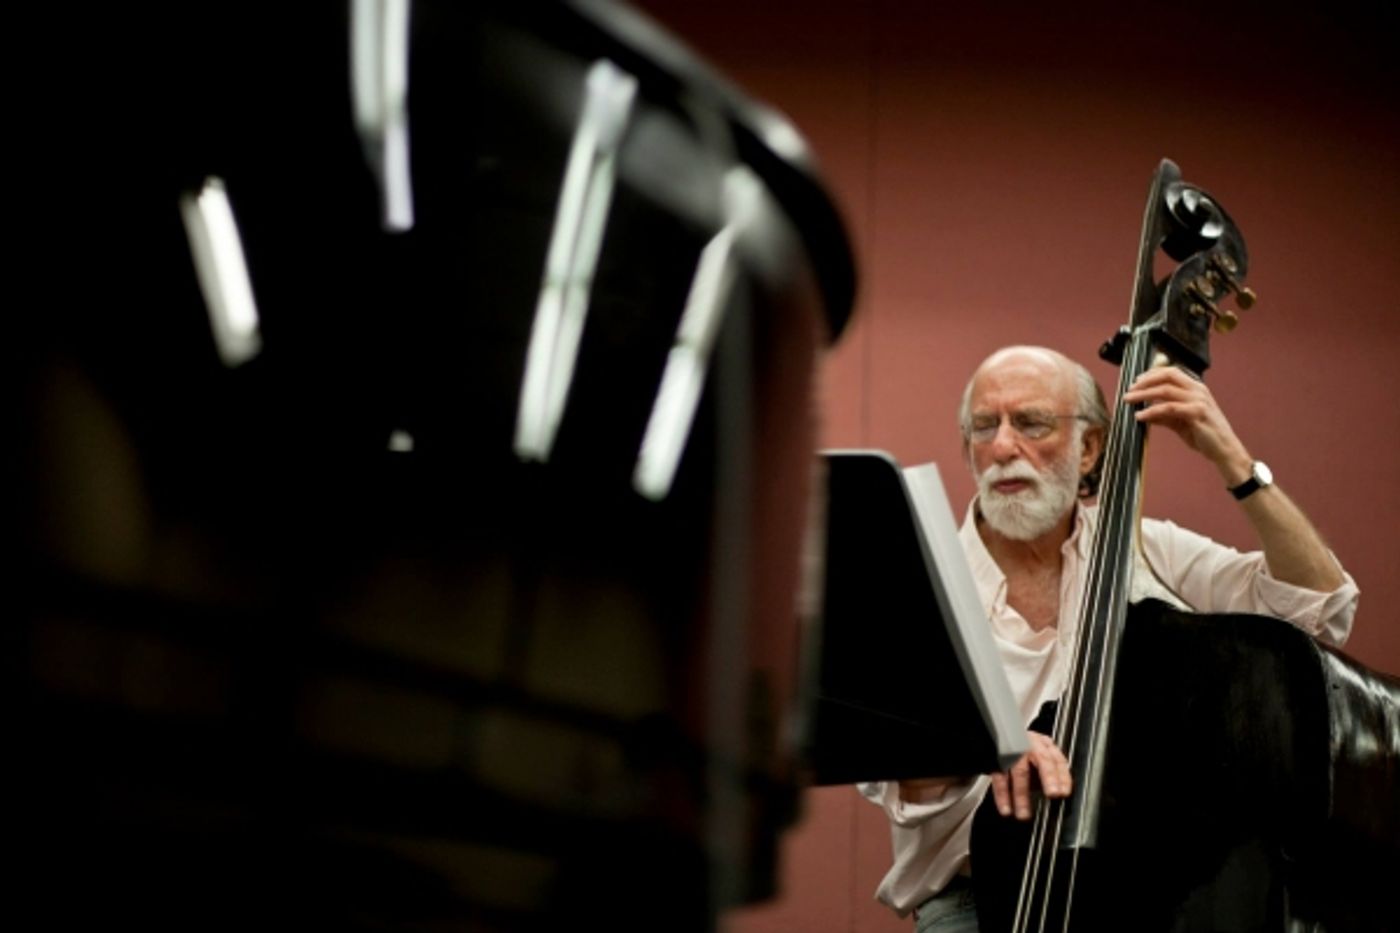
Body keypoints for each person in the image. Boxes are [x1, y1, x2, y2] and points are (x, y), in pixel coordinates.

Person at [858, 345, 1358, 932]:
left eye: (1032, 423)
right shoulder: (920, 580)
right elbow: (896, 767)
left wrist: (1232, 459)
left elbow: (1320, 611)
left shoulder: (1147, 549)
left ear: (1090, 446)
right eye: (984, 427)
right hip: (977, 902)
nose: (1001, 448)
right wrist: (986, 742)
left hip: (1152, 895)